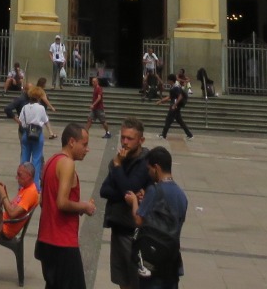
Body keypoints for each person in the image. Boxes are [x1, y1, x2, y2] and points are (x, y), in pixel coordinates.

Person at [37, 124, 96, 289]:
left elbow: (43, 201)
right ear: (72, 142)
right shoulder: (67, 164)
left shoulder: (51, 161)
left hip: (46, 240)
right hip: (63, 242)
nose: (87, 149)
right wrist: (84, 207)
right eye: (84, 144)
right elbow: (61, 202)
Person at [99, 118, 152, 289]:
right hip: (118, 227)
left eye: (130, 138)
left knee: (135, 281)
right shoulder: (119, 160)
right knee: (122, 281)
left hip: (134, 232)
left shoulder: (145, 162)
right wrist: (124, 193)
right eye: (123, 137)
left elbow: (129, 188)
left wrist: (117, 167)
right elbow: (104, 190)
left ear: (141, 140)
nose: (125, 142)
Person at [129, 146, 186, 289]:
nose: (149, 173)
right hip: (172, 261)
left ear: (156, 167)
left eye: (149, 169)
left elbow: (138, 220)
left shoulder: (154, 190)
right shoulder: (181, 195)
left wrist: (134, 202)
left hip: (154, 259)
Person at [0, 162, 39, 238]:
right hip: (2, 222)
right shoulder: (25, 188)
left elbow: (12, 214)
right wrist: (5, 194)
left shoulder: (31, 193)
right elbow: (13, 207)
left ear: (29, 176)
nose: (17, 178)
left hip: (5, 229)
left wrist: (3, 196)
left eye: (19, 175)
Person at [18, 86, 49, 176]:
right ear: (39, 97)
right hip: (37, 134)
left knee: (24, 159)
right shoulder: (41, 108)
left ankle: (22, 182)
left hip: (26, 133)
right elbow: (45, 120)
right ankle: (35, 185)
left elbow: (21, 122)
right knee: (36, 159)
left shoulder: (24, 107)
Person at [159, 74, 192, 141]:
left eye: (168, 80)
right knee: (180, 121)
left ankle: (163, 135)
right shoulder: (173, 87)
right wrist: (161, 101)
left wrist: (174, 105)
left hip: (175, 106)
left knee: (168, 120)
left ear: (171, 81)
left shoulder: (176, 87)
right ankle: (189, 135)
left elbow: (180, 96)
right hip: (175, 106)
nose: (168, 82)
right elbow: (170, 97)